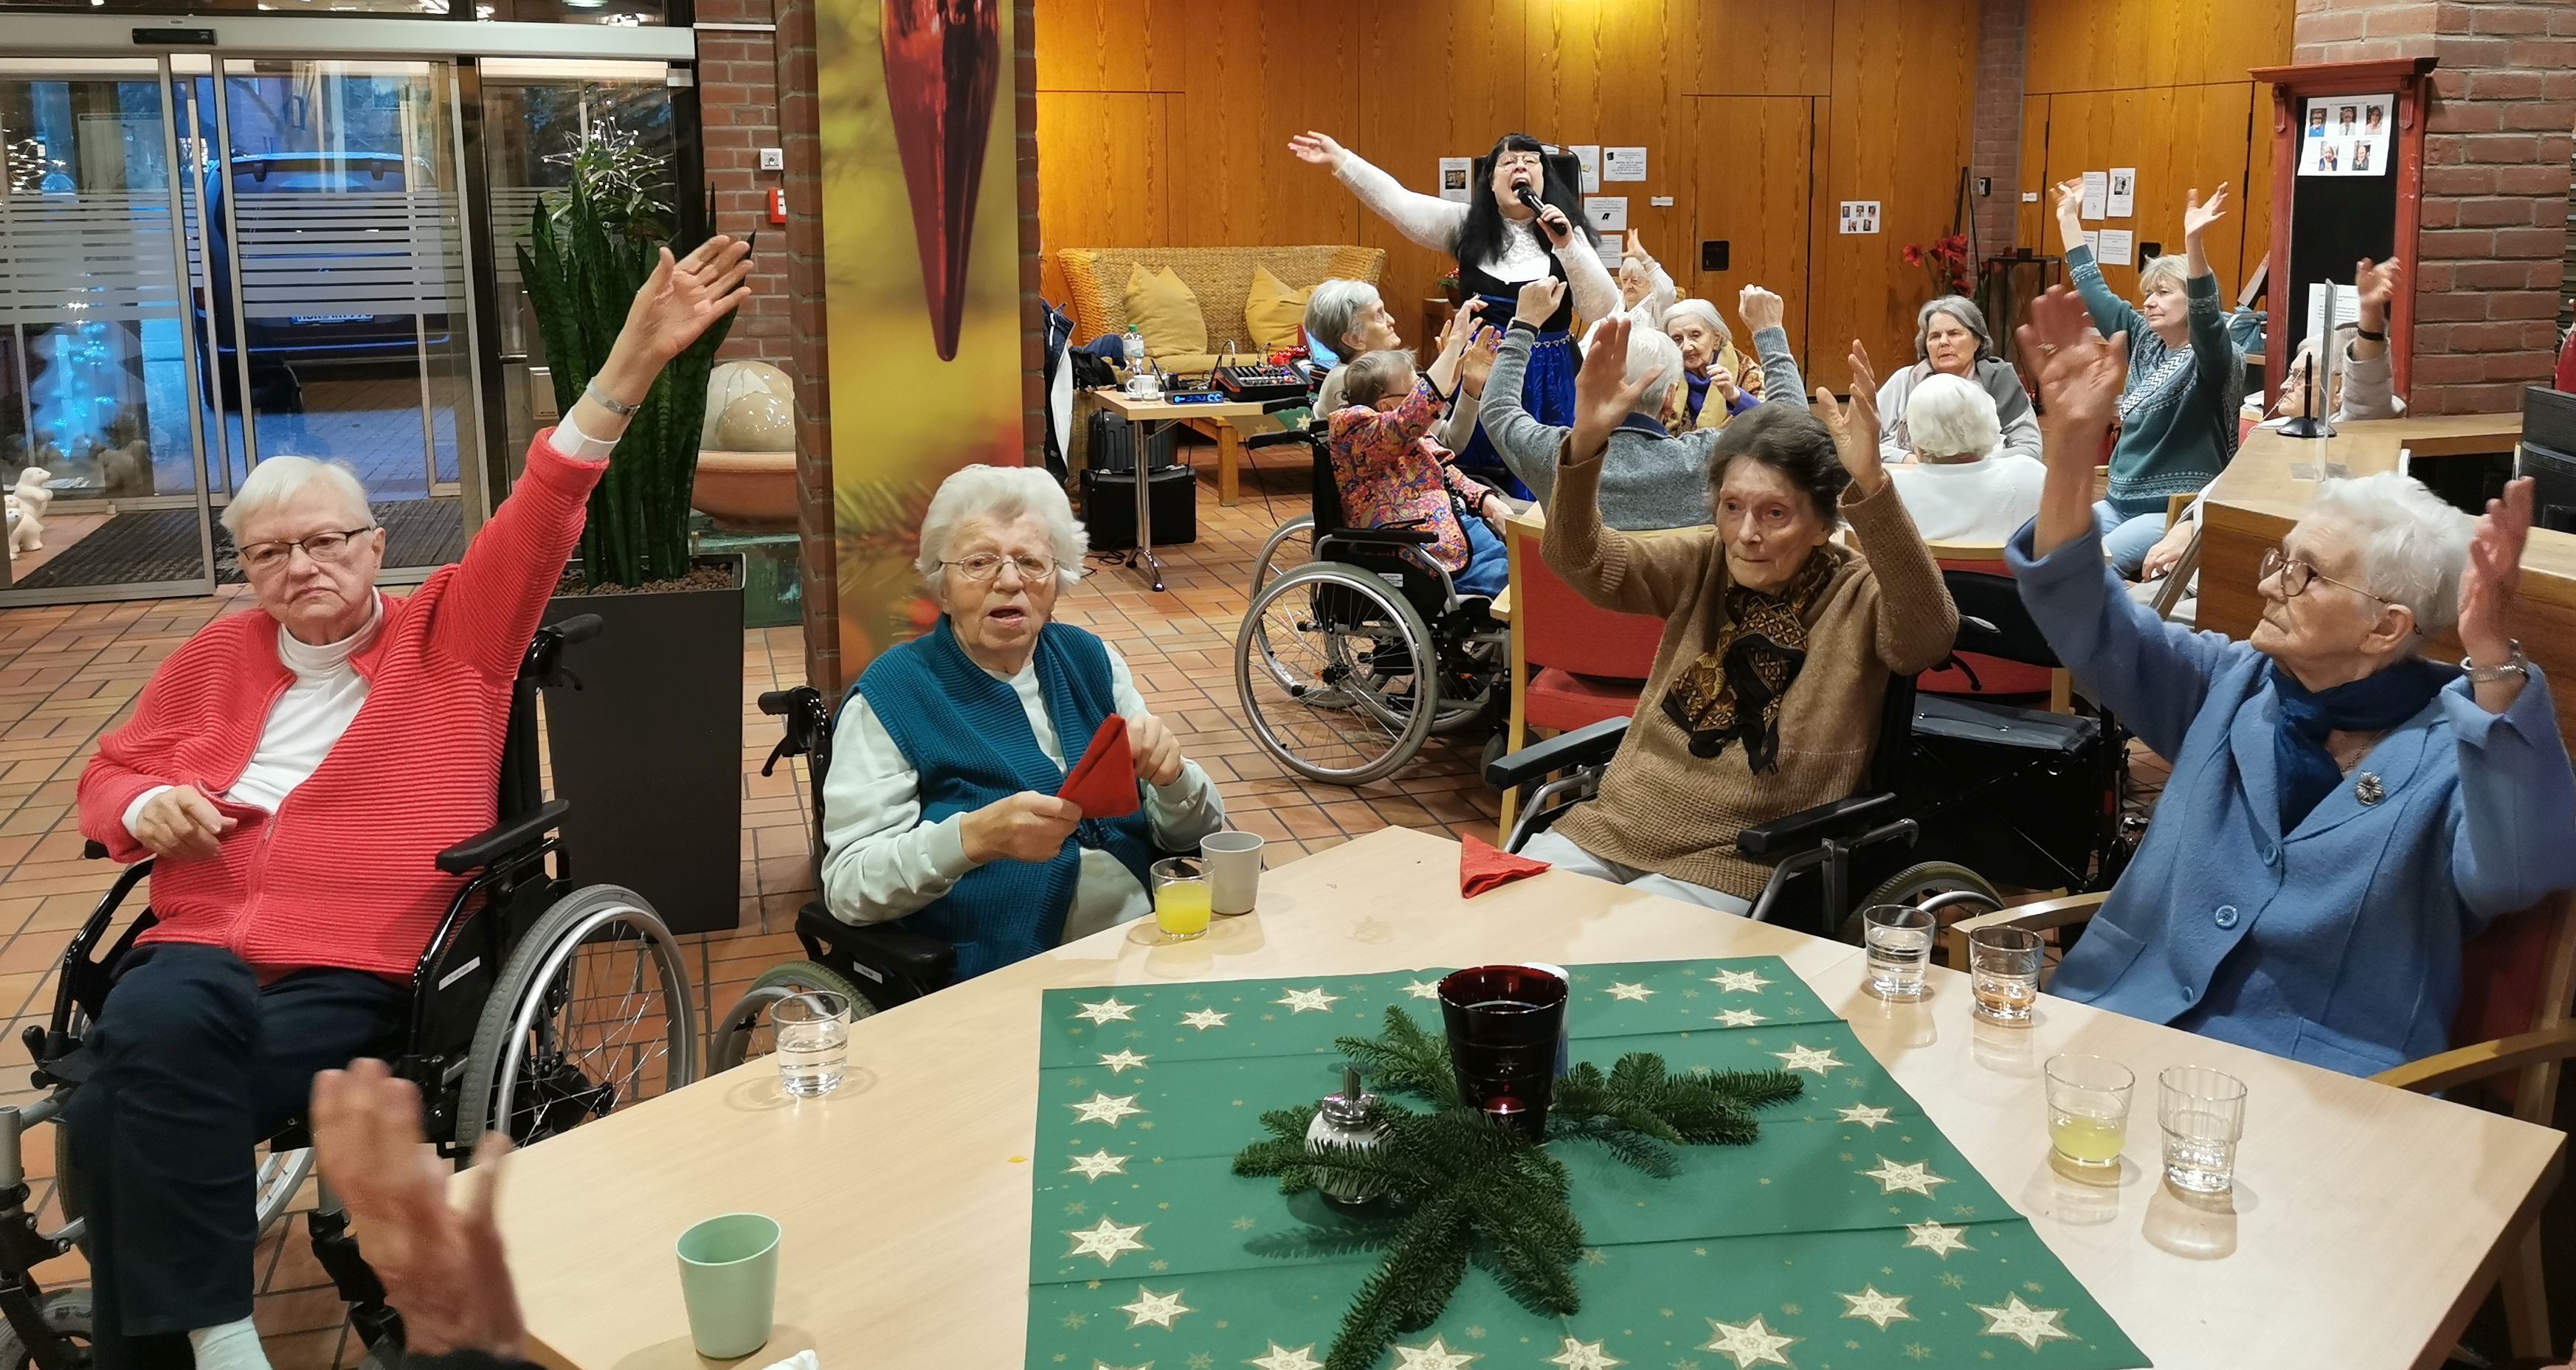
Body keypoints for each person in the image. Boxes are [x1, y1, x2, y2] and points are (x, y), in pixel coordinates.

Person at [69, 235, 756, 1370]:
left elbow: (551, 495)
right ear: (246, 573)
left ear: (375, 544)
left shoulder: (452, 633)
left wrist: (631, 359)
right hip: (196, 953)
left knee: (114, 1104)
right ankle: (217, 1334)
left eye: (324, 540)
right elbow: (108, 773)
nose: (300, 566)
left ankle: (202, 1342)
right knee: (154, 1029)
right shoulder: (211, 661)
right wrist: (144, 806)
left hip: (346, 970)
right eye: (269, 554)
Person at [2008, 283, 2576, 1076]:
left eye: (2304, 573)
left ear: (2385, 627)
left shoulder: (2460, 752)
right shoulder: (2231, 684)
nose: (2269, 583)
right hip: (2125, 1024)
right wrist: (2070, 447)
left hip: (2318, 1087)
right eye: (2281, 557)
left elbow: (2520, 871)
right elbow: (2084, 616)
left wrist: (2488, 652)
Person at [1520, 317, 1958, 910]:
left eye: (1775, 513)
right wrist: (1585, 444)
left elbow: (1927, 639)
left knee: (1617, 948)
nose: (1746, 533)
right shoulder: (1706, 558)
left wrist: (1872, 484)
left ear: (1822, 524)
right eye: (1732, 507)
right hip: (1617, 823)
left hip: (1743, 855)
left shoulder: (1855, 591)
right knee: (1508, 917)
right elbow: (1585, 562)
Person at [819, 466, 1226, 978]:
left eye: (1031, 562)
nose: (1010, 581)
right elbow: (849, 887)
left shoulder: (1091, 660)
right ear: (942, 590)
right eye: (979, 562)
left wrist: (1174, 780)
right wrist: (971, 839)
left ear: (1057, 583)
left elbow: (1197, 832)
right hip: (1010, 971)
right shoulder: (893, 695)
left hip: (1157, 940)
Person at [1291, 129, 1619, 497]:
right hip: (1481, 370)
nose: (1520, 167)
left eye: (1531, 161)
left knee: (1550, 477)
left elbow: (1600, 306)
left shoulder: (1567, 232)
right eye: (1508, 162)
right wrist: (1342, 159)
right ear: (1491, 181)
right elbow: (1400, 202)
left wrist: (1568, 245)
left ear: (1545, 177)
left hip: (1549, 377)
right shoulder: (1465, 225)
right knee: (1475, 477)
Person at [2141, 257, 2411, 583]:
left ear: (2340, 389)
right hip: (2192, 566)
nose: (2284, 386)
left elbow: (2367, 389)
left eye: (2299, 377)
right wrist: (2183, 529)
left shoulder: (2354, 432)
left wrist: (2369, 314)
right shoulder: (2269, 432)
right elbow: (2213, 494)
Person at [1482, 280, 1807, 530]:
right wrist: (1769, 332)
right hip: (1680, 601)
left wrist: (1523, 324)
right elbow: (1794, 428)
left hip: (1573, 602)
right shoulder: (1705, 457)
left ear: (1590, 386)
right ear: (1669, 399)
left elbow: (1497, 410)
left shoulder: (1553, 455)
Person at [2051, 178, 2246, 575]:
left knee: (2092, 571)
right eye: (2149, 293)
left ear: (2192, 300)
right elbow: (2094, 290)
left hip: (2171, 513)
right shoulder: (2144, 339)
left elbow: (2208, 321)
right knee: (2050, 553)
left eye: (2163, 293)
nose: (2150, 301)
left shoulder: (2214, 358)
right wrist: (2068, 218)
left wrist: (2194, 244)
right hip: (2117, 503)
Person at [1323, 319, 1513, 598]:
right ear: (1386, 405)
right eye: (1416, 389)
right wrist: (1455, 345)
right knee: (1528, 593)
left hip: (1460, 531)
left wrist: (1489, 503)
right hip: (1422, 550)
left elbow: (1447, 471)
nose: (1422, 394)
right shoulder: (1356, 431)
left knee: (1540, 573)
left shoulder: (1406, 434)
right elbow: (1413, 415)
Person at [1302, 277, 1481, 453]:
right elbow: (1413, 442)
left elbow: (1446, 443)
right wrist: (1452, 350)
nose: (1391, 320)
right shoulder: (1346, 382)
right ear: (1355, 339)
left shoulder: (1390, 374)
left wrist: (1471, 388)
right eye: (1379, 314)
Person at [1871, 295, 2042, 467]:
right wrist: (1905, 458)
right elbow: (1864, 444)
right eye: (1935, 336)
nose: (1943, 342)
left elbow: (2030, 449)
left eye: (1954, 333)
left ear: (1977, 341)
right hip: (1910, 476)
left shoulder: (2000, 382)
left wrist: (1971, 465)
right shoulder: (1905, 381)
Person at [1885, 372, 2045, 543]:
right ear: (1990, 421)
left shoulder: (1893, 492)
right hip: (2009, 562)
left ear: (1916, 437)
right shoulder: (2032, 475)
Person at [1662, 297, 1765, 432]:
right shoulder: (1665, 378)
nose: (1686, 347)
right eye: (1677, 339)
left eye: (1695, 335)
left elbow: (1769, 422)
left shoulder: (1747, 372)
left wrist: (1735, 396)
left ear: (1716, 338)